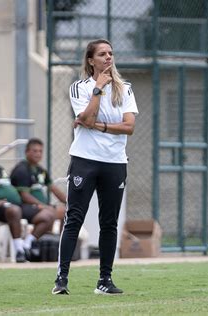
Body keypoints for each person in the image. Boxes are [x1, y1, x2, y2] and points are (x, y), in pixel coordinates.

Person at [52, 39, 138, 295]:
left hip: (115, 163)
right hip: (85, 160)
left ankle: (104, 281)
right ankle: (61, 279)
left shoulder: (125, 89)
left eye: (111, 53)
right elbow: (85, 117)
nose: (108, 57)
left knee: (109, 223)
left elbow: (129, 127)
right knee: (74, 218)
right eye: (102, 54)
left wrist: (99, 126)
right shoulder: (80, 88)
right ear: (91, 60)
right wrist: (98, 89)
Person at [0, 143, 53, 262]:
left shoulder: (0, 169)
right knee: (14, 210)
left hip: (18, 206)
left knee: (48, 214)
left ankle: (26, 245)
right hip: (0, 210)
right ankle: (19, 251)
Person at [10, 138, 67, 233]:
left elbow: (54, 189)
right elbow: (24, 196)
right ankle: (36, 241)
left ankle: (60, 242)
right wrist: (42, 205)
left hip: (41, 206)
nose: (38, 154)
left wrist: (70, 201)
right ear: (26, 152)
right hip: (26, 207)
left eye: (40, 151)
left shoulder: (41, 170)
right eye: (35, 151)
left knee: (68, 211)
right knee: (50, 212)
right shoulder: (21, 170)